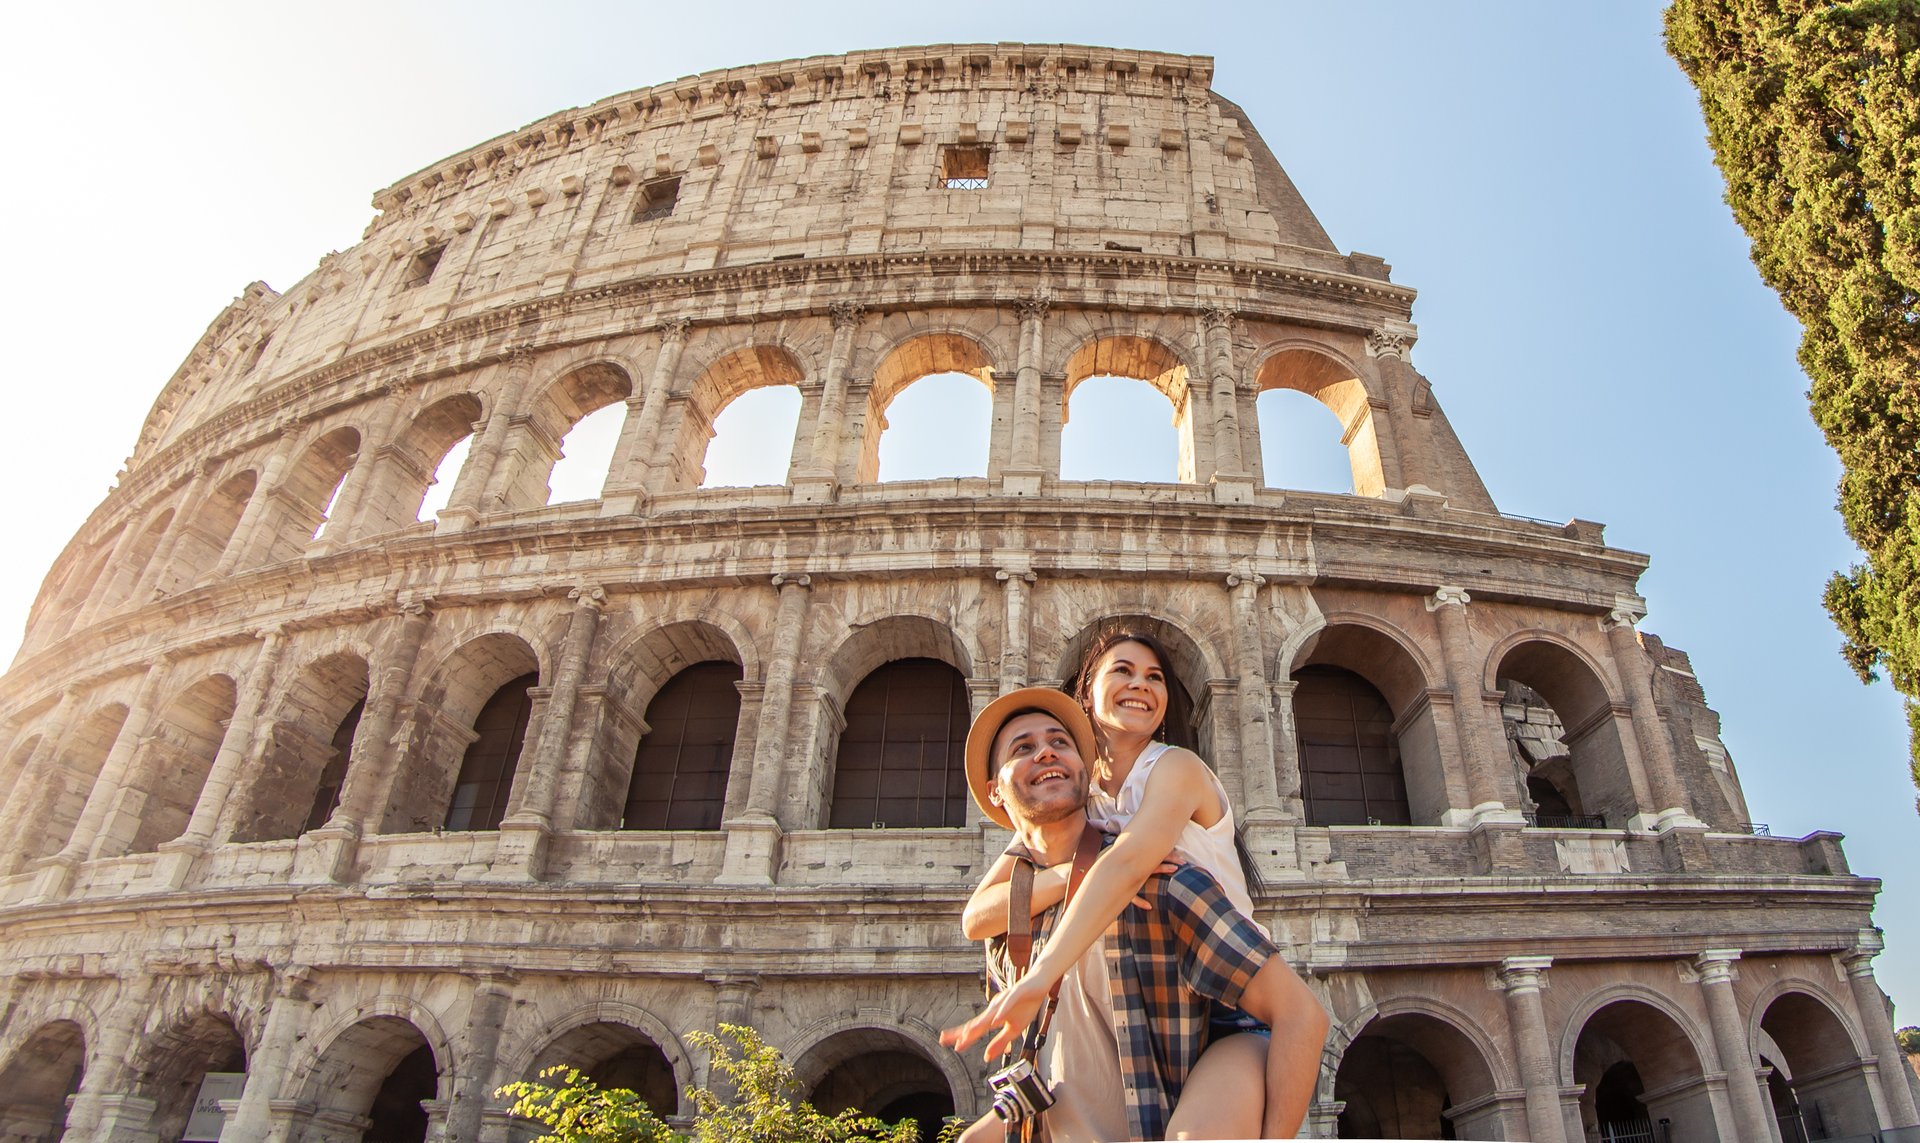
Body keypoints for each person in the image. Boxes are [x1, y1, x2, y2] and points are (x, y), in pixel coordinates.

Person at [942, 686, 1327, 1142]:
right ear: (995, 793)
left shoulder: (1162, 880)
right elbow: (1052, 1058)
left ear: (1086, 775)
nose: (1045, 752)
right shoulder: (1012, 924)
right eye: (1023, 748)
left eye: (1060, 742)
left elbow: (1300, 1014)